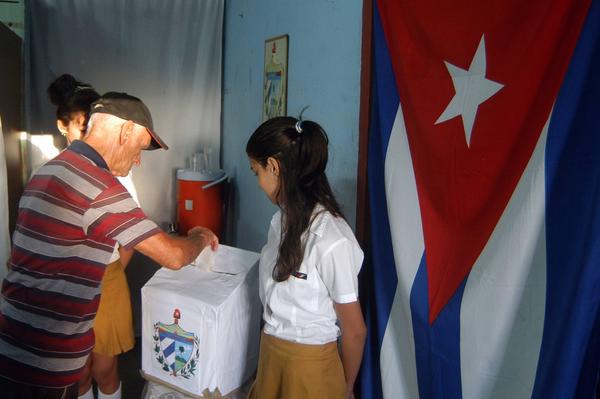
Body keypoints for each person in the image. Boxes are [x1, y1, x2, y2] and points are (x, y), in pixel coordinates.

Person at [0, 92, 218, 398]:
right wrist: (200, 236)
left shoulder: (46, 171)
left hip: (12, 340)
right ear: (126, 131)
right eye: (140, 148)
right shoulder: (99, 185)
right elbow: (173, 256)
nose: (139, 160)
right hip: (47, 361)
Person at [246, 116, 367, 399]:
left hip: (311, 372)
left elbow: (355, 331)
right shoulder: (280, 222)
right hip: (270, 358)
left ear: (273, 166)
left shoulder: (331, 238)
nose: (258, 182)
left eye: (256, 171)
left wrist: (345, 388)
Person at [47, 75, 138, 399]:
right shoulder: (47, 173)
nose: (87, 135)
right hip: (64, 286)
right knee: (78, 372)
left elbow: (130, 237)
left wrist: (110, 273)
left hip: (105, 281)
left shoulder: (117, 173)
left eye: (92, 127)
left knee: (104, 369)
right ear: (62, 126)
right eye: (80, 126)